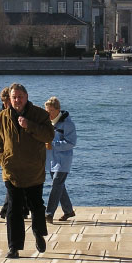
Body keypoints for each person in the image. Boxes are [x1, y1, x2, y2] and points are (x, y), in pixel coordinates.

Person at [0, 83, 55, 259]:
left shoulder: (40, 115)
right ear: (9, 99)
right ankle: (14, 247)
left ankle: (38, 233)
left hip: (34, 170)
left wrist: (29, 125)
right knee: (14, 208)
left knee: (36, 205)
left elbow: (49, 136)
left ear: (26, 97)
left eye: (20, 96)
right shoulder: (1, 118)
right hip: (11, 171)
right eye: (14, 97)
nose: (17, 100)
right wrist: (2, 160)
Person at [0, 87, 30, 220]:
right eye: (6, 102)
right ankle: (9, 210)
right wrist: (1, 157)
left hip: (21, 155)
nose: (7, 105)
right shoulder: (1, 115)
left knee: (18, 184)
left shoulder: (23, 112)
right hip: (8, 155)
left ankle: (18, 209)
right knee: (12, 183)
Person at [44, 96, 77, 224]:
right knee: (59, 186)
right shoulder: (48, 122)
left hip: (63, 161)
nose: (48, 114)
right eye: (46, 111)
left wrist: (53, 144)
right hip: (51, 160)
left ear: (58, 110)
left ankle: (48, 213)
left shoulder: (68, 123)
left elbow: (71, 142)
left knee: (56, 185)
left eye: (50, 111)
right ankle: (68, 210)